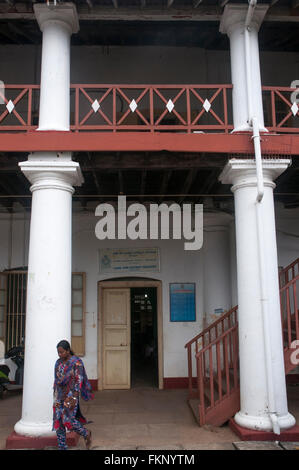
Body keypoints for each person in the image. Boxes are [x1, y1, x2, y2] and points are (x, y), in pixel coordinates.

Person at [53, 340, 93, 450]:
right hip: (58, 394)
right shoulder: (58, 362)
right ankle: (62, 446)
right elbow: (56, 379)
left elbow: (79, 380)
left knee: (68, 419)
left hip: (71, 394)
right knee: (58, 420)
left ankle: (85, 433)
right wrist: (56, 395)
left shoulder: (76, 362)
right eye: (58, 352)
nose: (60, 355)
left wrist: (75, 396)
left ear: (68, 350)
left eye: (62, 352)